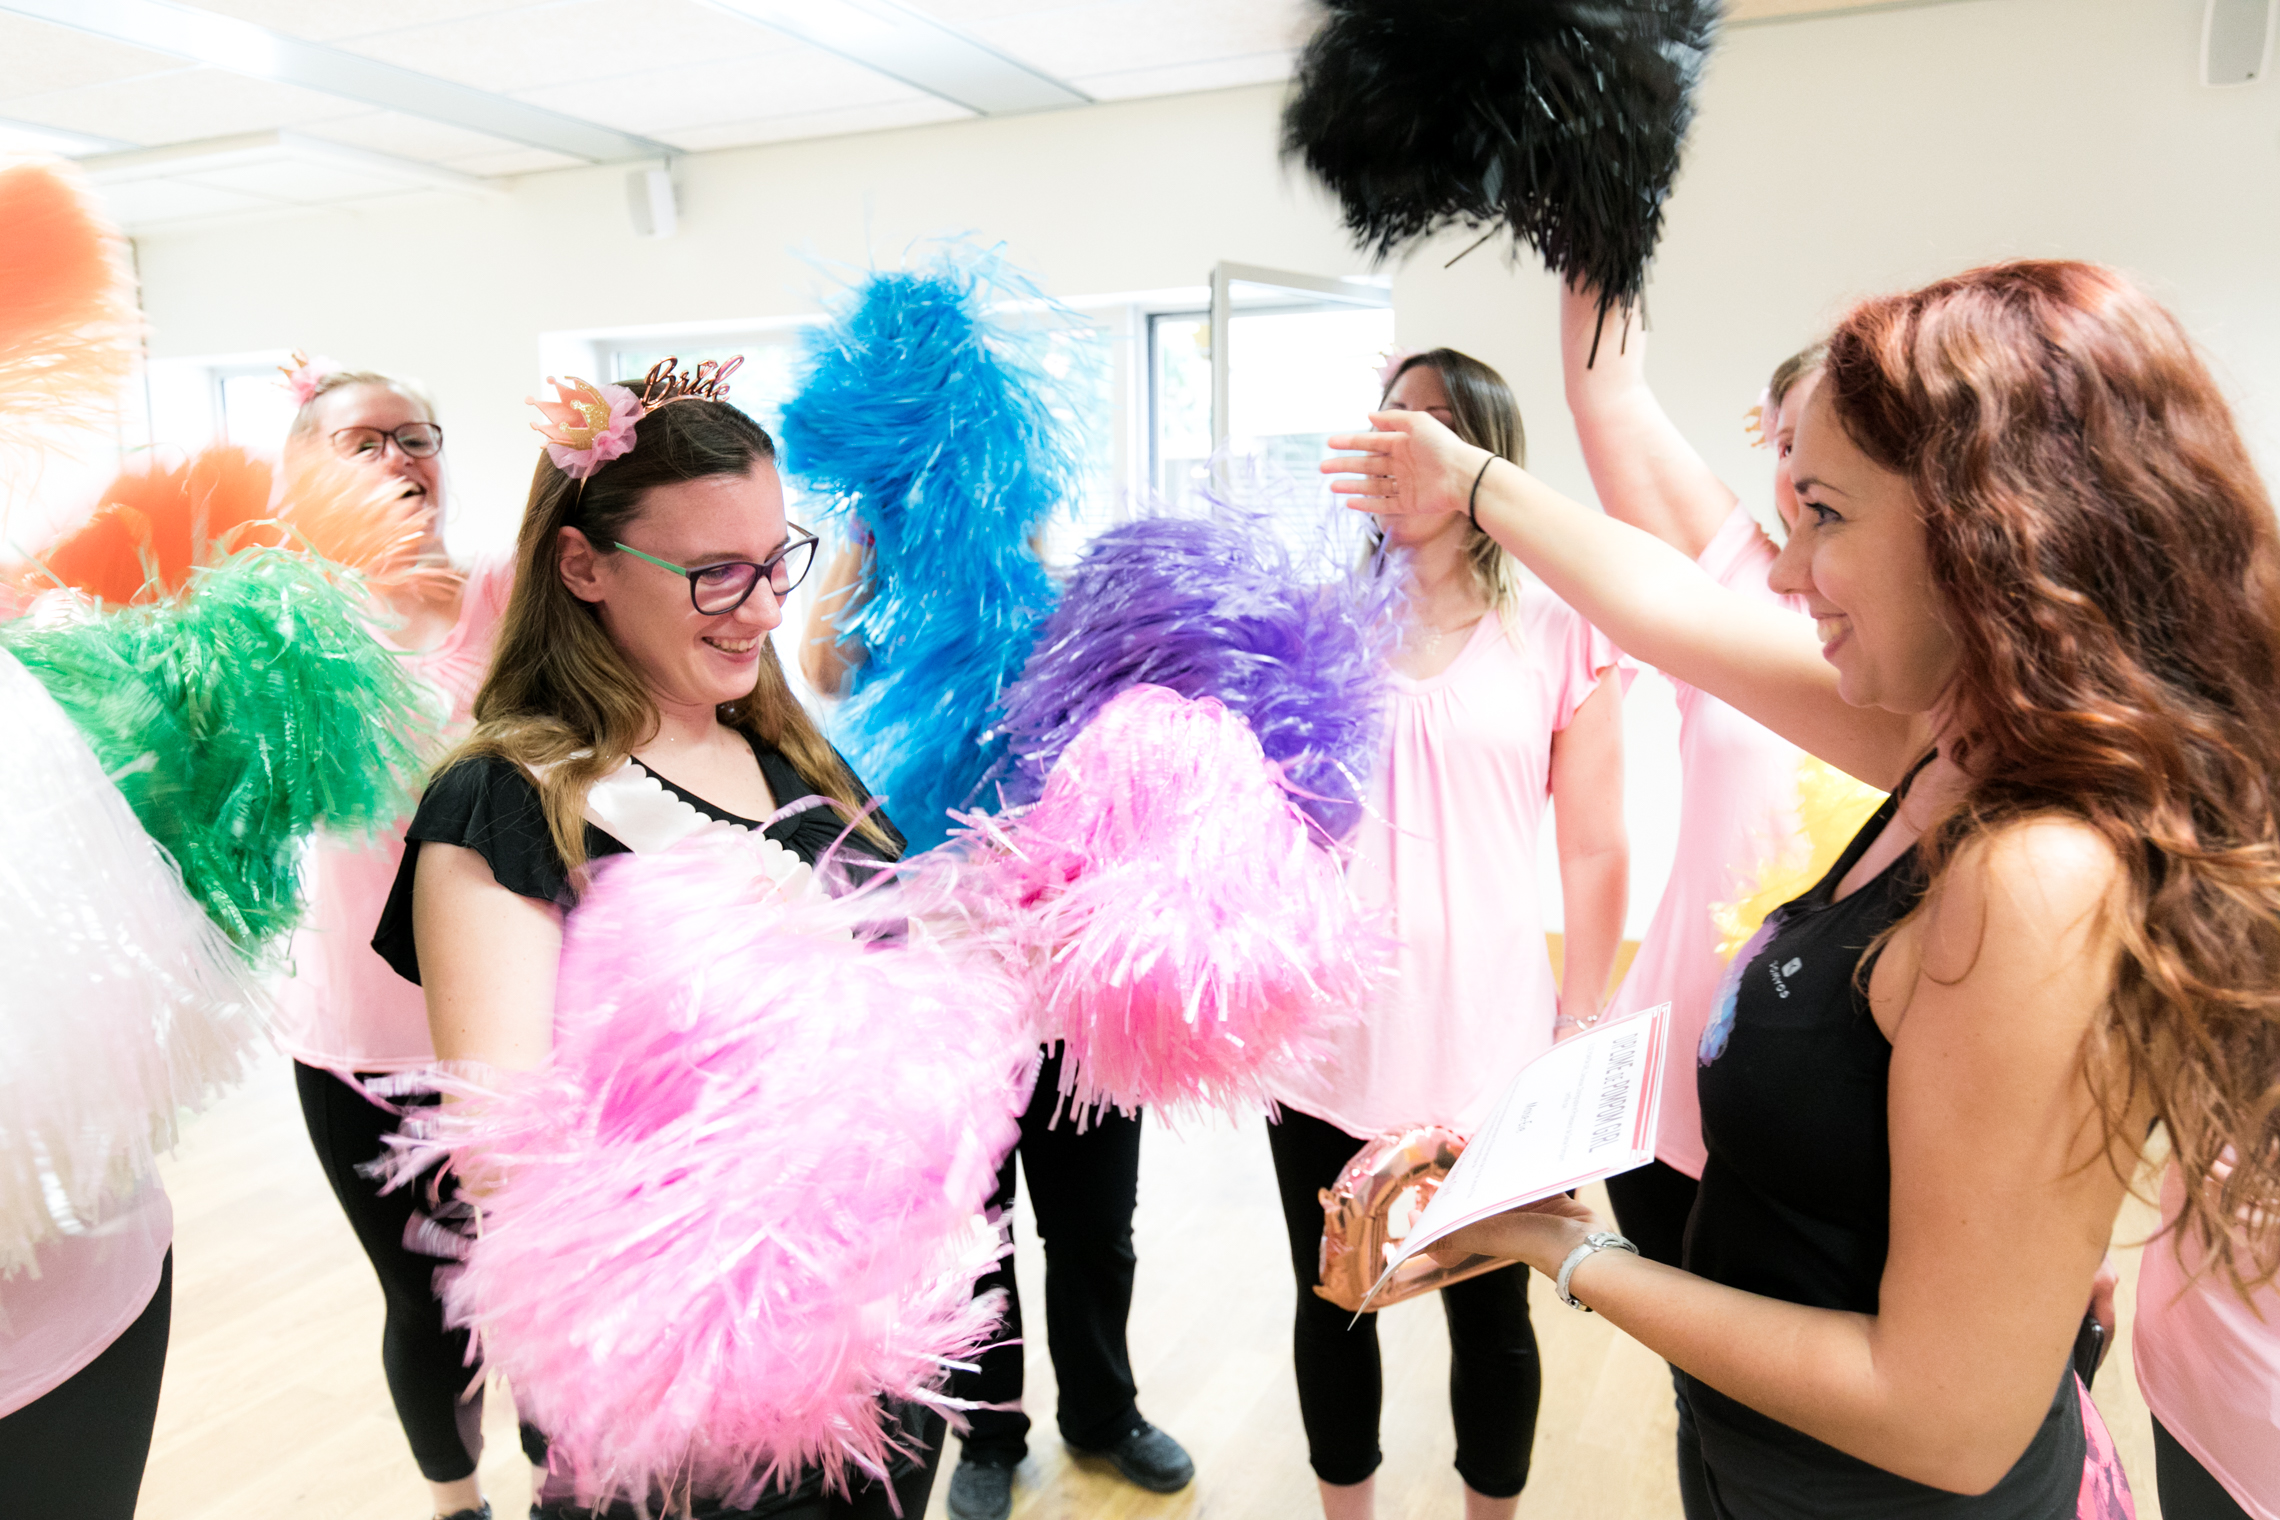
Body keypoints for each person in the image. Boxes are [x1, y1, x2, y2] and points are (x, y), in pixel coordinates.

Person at [1326, 259, 2280, 1515]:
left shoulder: (2036, 876)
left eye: (1823, 513)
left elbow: (1946, 1417)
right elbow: (1674, 612)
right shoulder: (1956, 741)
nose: (1784, 570)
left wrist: (1558, 1244)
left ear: (1990, 530)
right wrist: (1476, 480)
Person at [369, 381, 927, 1520]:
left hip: (872, 1346)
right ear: (582, 565)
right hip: (690, 1393)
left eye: (780, 561)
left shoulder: (794, 758)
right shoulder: (507, 799)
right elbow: (507, 1162)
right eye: (714, 572)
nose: (765, 609)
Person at [1267, 348, 1630, 1520]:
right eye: (1387, 418)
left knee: (1491, 1311)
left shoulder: (1559, 630)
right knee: (1333, 1297)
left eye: (1429, 422)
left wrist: (1579, 1030)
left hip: (1490, 1045)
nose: (1399, 440)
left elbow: (1595, 849)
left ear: (1480, 454)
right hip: (1326, 1041)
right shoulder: (1317, 620)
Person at [802, 543, 1196, 1520]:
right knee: (975, 1235)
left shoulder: (1052, 590)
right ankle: (989, 1431)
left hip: (1071, 979)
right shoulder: (879, 594)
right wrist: (865, 547)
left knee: (1097, 1227)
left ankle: (1106, 1413)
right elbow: (819, 666)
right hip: (942, 982)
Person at [1558, 288, 1820, 1516]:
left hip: (1823, 1142)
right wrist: (1598, 211)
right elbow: (1609, 398)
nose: (1793, 491)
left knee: (1804, 1451)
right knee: (1708, 1421)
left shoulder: (1957, 669)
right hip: (1669, 1114)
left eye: (1828, 472)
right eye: (1786, 455)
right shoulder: (1750, 595)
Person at [269, 360, 513, 1520]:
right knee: (424, 1298)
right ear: (305, 468)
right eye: (365, 440)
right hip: (361, 1036)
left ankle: (578, 1493)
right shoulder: (276, 625)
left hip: (522, 1030)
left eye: (420, 434)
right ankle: (456, 1501)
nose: (403, 457)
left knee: (545, 1290)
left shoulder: (513, 597)